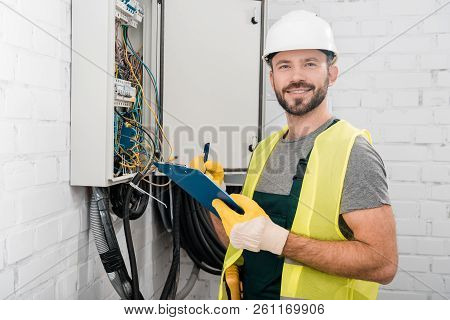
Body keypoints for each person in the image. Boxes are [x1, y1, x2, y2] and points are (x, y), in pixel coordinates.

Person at [191, 10, 397, 300]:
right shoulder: (265, 150)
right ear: (272, 78)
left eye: (310, 64)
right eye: (285, 66)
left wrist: (281, 241)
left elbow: (383, 263)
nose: (297, 76)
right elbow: (239, 244)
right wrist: (213, 196)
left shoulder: (353, 151)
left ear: (332, 73)